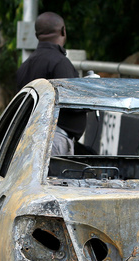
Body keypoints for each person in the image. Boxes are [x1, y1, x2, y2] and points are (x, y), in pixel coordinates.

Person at [16, 12, 86, 156]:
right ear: (63, 31)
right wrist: (90, 96)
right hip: (54, 142)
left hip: (29, 139)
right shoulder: (60, 63)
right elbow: (72, 103)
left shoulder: (25, 66)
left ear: (37, 35)